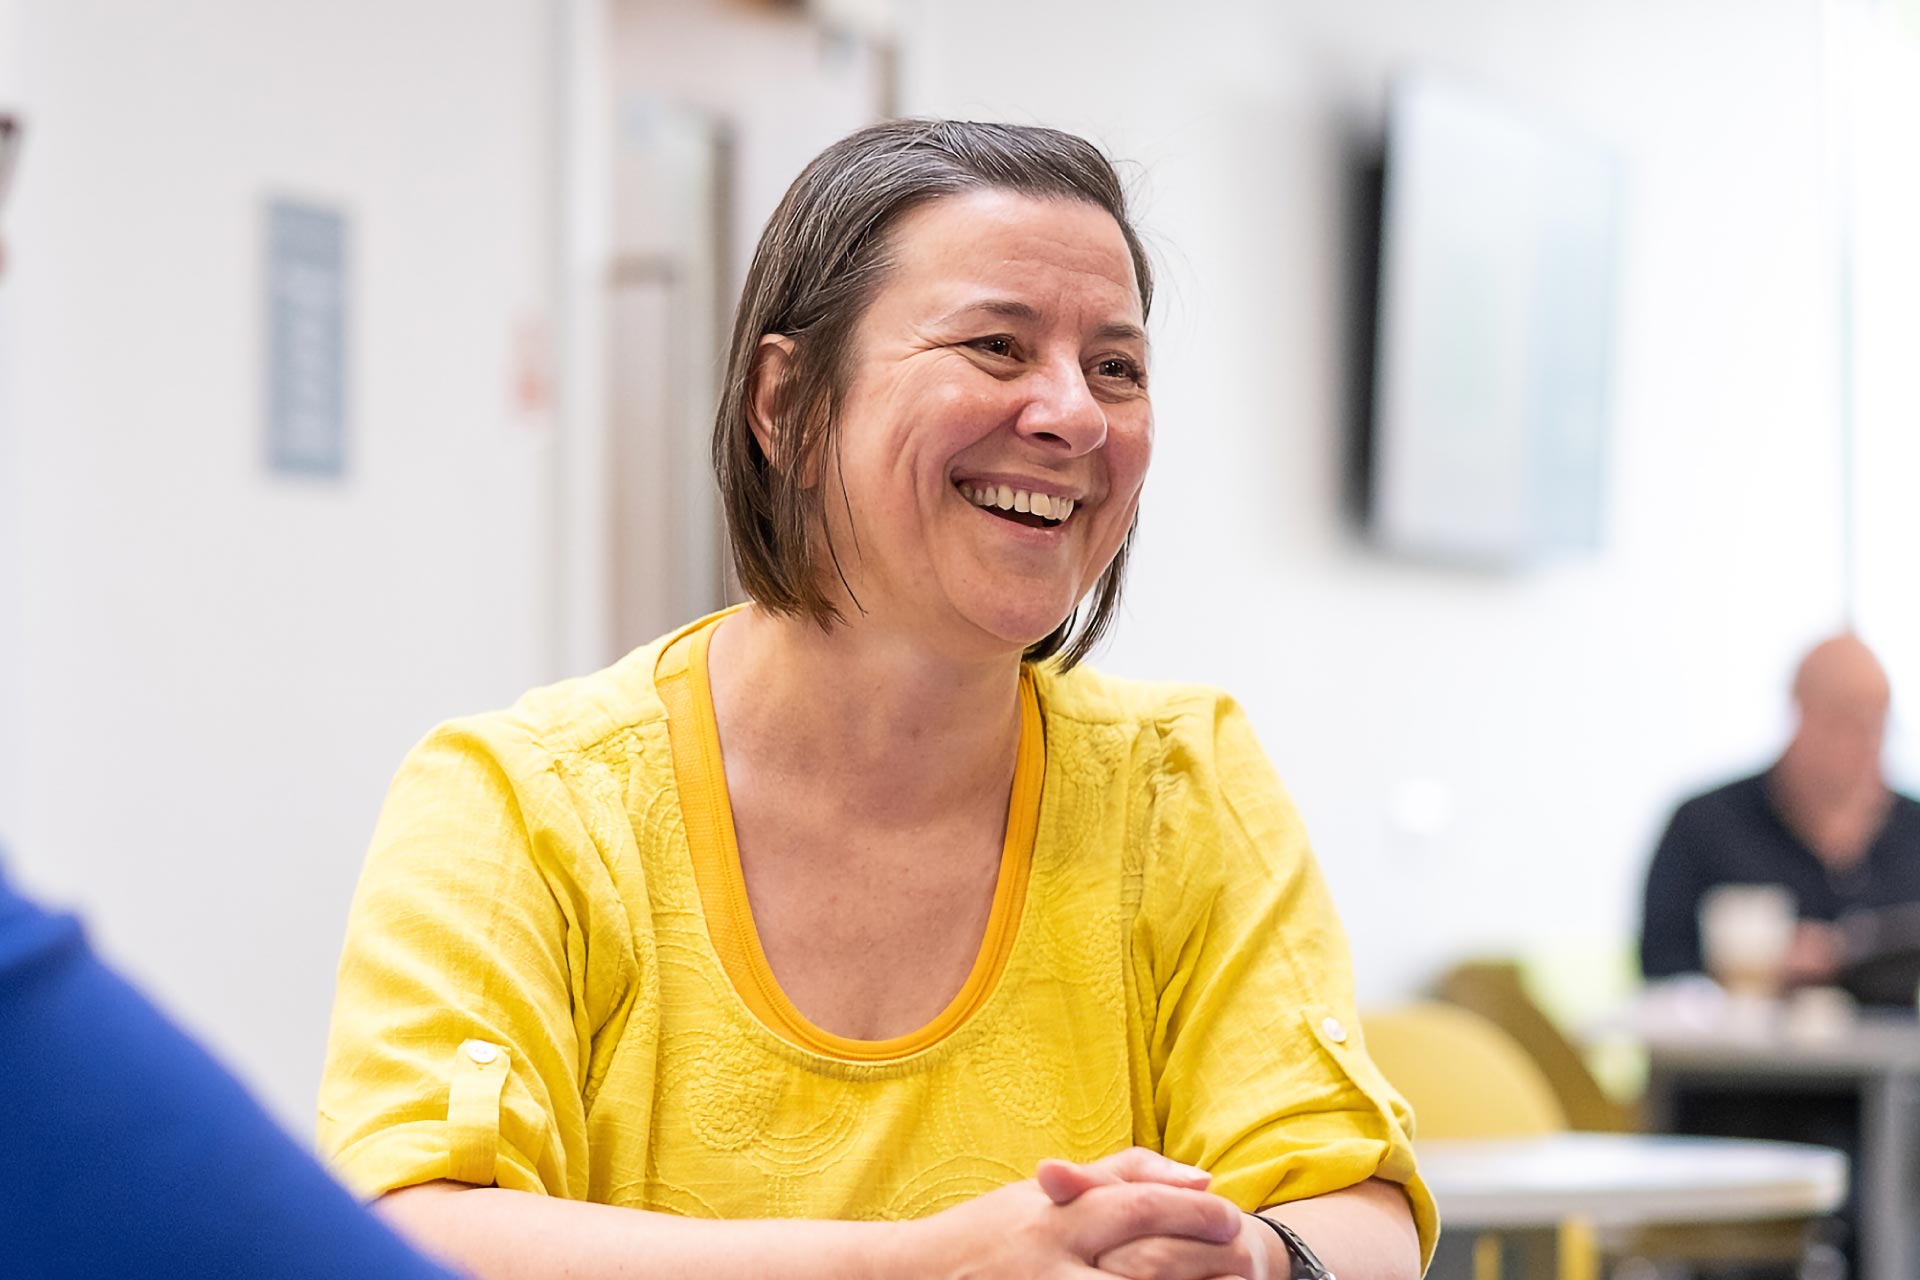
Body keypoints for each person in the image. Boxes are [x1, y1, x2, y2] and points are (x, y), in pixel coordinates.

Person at [317, 119, 1435, 1280]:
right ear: (785, 403)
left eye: (1117, 367)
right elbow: (413, 1229)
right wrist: (923, 1262)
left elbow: (1354, 1210)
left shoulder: (1183, 779)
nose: (1074, 416)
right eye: (998, 347)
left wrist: (1240, 1256)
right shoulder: (517, 804)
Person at [1640, 633, 1920, 988]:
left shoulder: (1914, 831)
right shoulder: (1706, 826)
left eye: (1878, 721)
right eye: (1847, 718)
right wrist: (1755, 965)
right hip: (1741, 1041)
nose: (1867, 741)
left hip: (1894, 1042)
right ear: (1801, 712)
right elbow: (1661, 970)